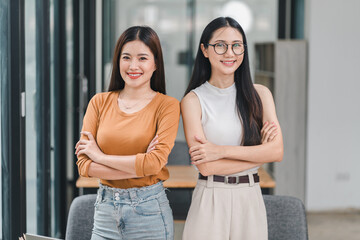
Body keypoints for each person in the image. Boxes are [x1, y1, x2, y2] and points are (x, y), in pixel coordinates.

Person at [181, 17, 283, 240]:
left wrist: (220, 151)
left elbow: (276, 151)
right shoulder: (193, 100)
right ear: (205, 50)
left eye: (237, 45)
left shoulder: (260, 94)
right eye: (220, 45)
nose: (230, 53)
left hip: (250, 197)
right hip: (211, 198)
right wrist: (259, 155)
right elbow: (206, 167)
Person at [75, 26, 180, 240]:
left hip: (149, 213)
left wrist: (101, 157)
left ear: (155, 63)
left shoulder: (167, 106)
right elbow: (84, 166)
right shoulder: (99, 102)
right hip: (105, 213)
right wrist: (140, 167)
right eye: (126, 57)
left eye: (142, 58)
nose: (133, 66)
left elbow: (154, 163)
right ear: (118, 61)